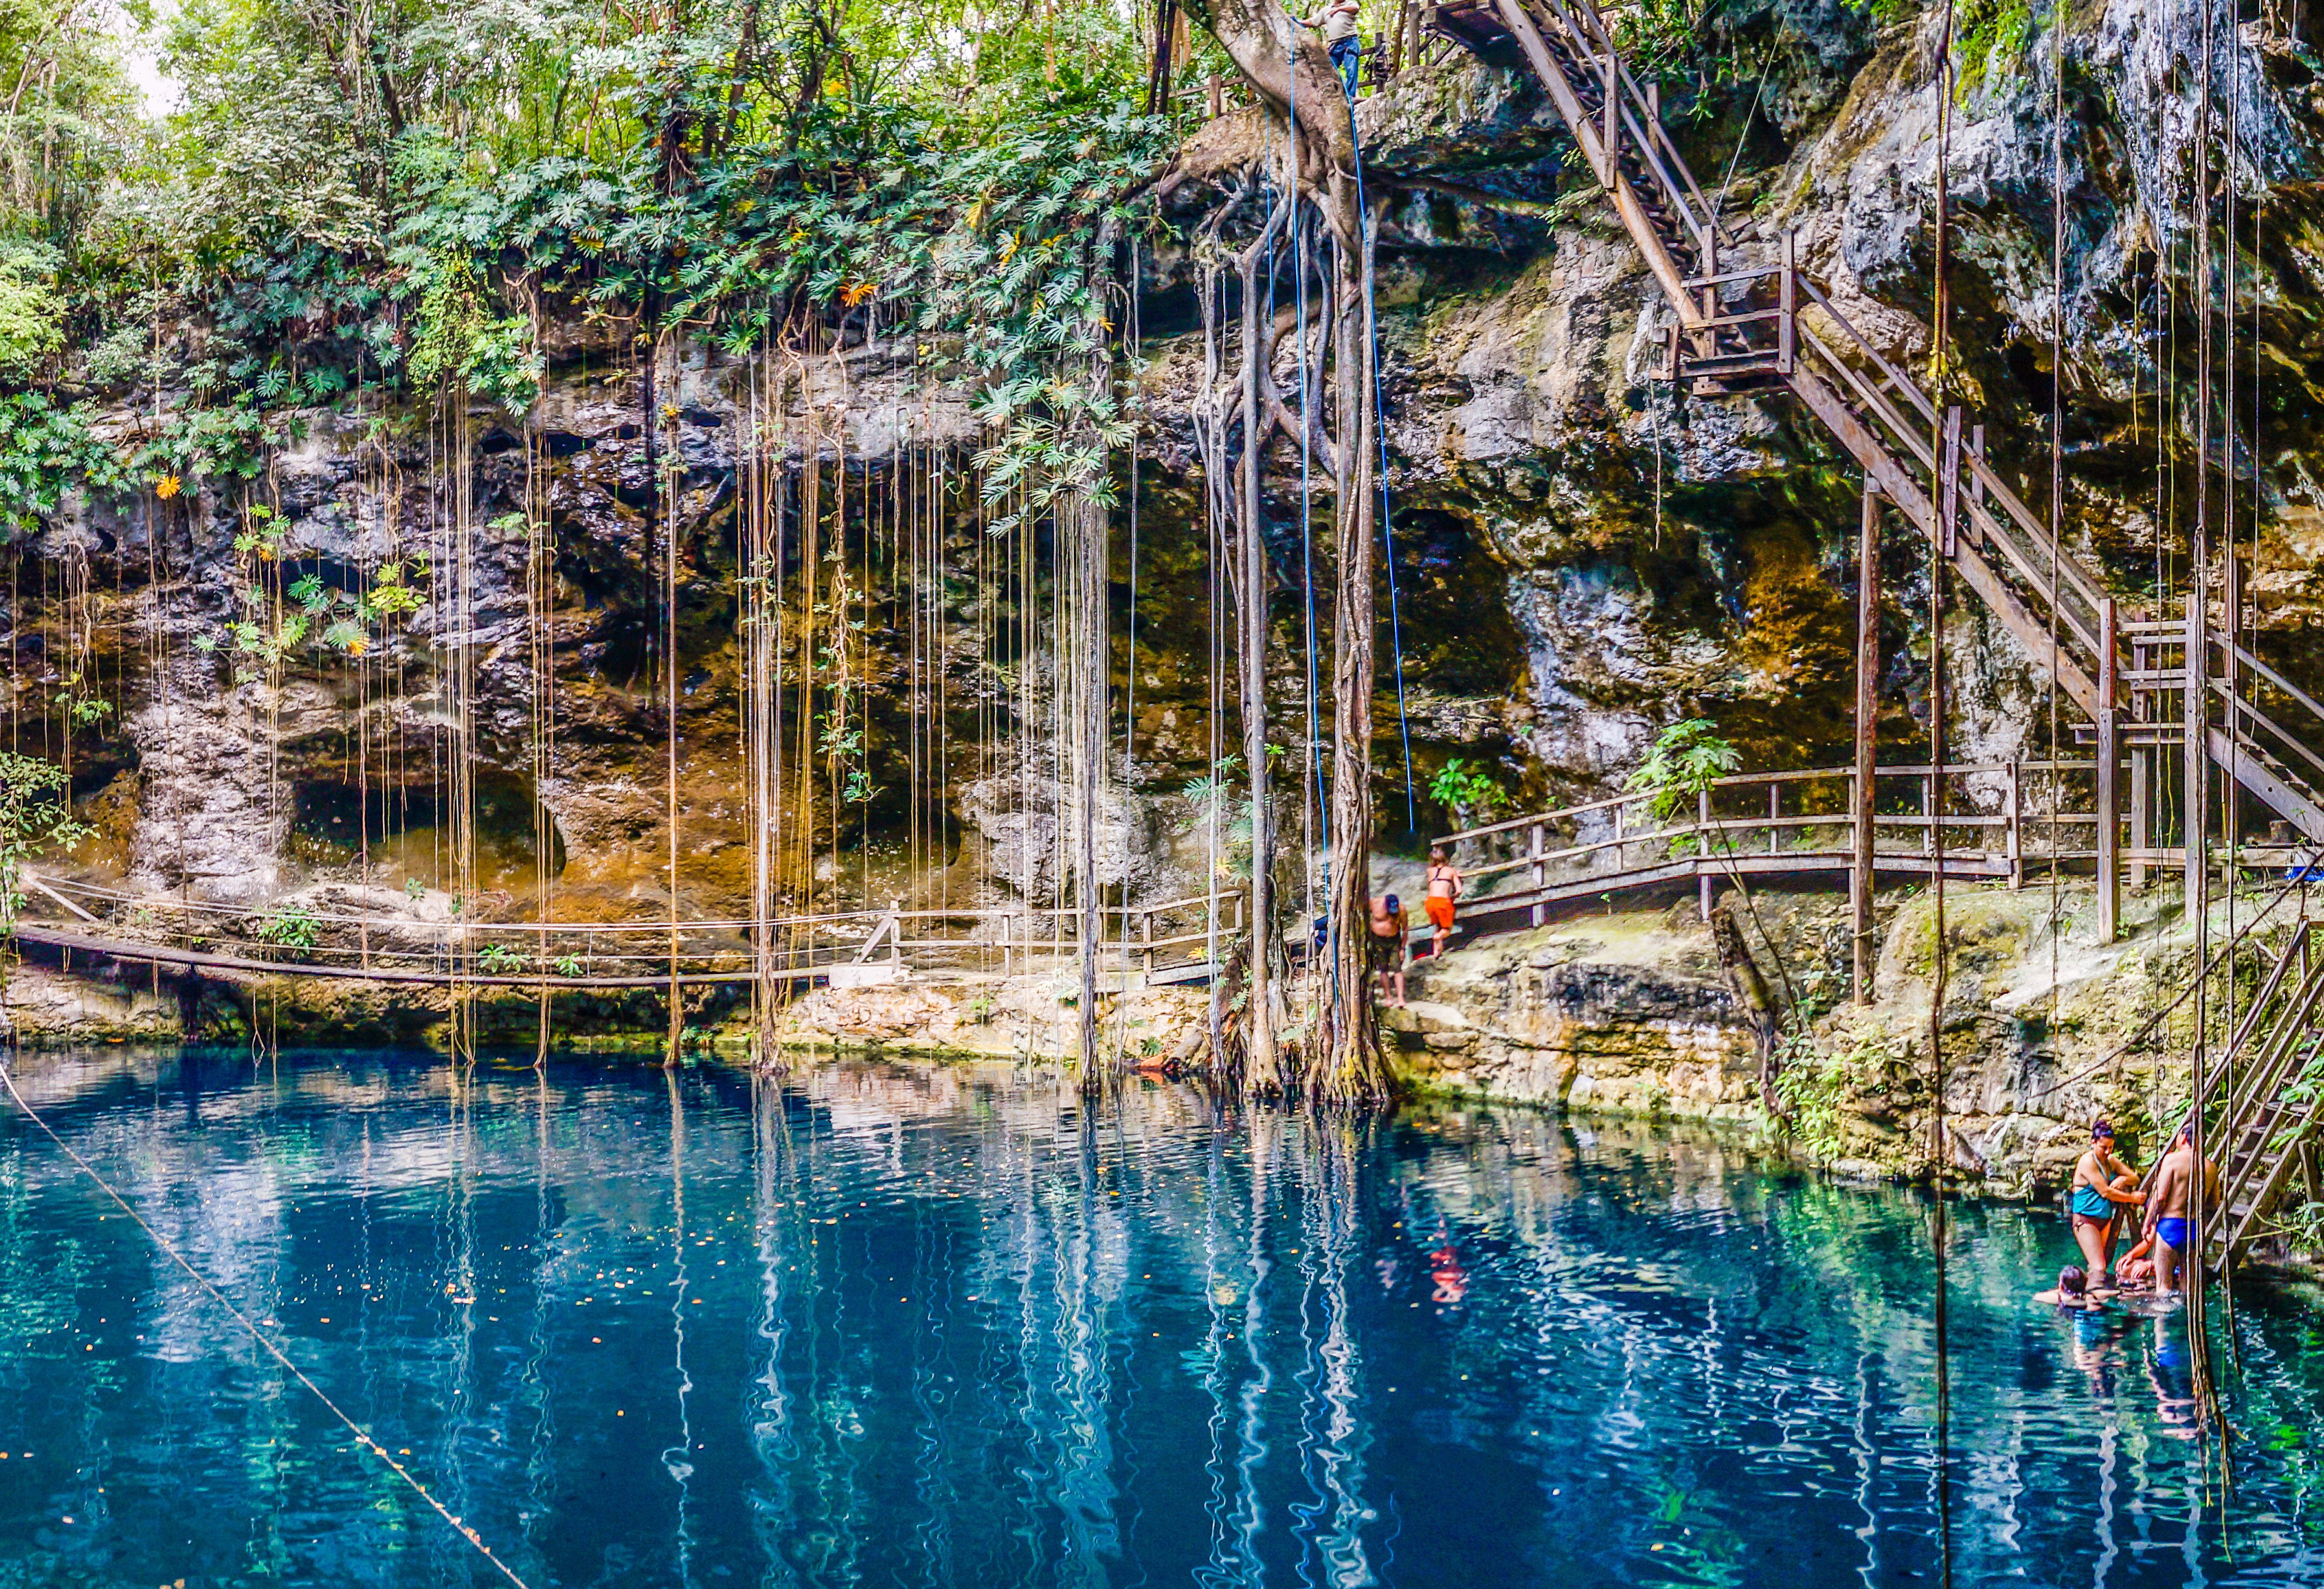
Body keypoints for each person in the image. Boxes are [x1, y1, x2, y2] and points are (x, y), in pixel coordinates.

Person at [2143, 1123, 2222, 1296]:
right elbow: (2214, 1203)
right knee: (2188, 1289)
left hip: (2170, 1226)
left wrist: (2148, 1222)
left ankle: (2161, 1323)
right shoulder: (2210, 1166)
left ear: (2184, 1137)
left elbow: (2160, 1197)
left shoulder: (2172, 1160)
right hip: (2194, 1230)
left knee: (2163, 1288)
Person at [2067, 1119, 2143, 1286]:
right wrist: (2133, 1198)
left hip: (2104, 1220)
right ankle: (2094, 1303)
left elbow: (2135, 1177)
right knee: (2099, 1267)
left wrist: (2123, 1179)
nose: (2108, 1152)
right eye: (2104, 1147)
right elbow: (2105, 1191)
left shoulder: (2111, 1161)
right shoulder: (2088, 1161)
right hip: (2086, 1219)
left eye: (2111, 1147)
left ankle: (2089, 1295)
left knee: (2097, 1266)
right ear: (2093, 1143)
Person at [1300, 0, 1362, 99]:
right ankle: (1333, 94)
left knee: (1351, 70)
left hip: (1350, 42)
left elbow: (1356, 8)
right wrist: (1296, 22)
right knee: (1328, 70)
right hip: (1335, 45)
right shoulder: (1326, 10)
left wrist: (1338, 9)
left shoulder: (1350, 4)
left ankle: (1350, 96)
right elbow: (1313, 22)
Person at [1420, 846, 1462, 960]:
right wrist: (1452, 898)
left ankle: (1437, 952)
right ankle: (1438, 937)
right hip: (1443, 902)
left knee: (1438, 925)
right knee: (1447, 930)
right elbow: (1459, 890)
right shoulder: (1451, 871)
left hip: (1430, 902)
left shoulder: (1429, 871)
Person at [1369, 892, 1408, 1007]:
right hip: (1378, 941)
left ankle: (1401, 998)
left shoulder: (1401, 910)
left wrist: (1402, 948)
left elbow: (1405, 929)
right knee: (1383, 969)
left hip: (1394, 940)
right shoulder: (1375, 904)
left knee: (1397, 969)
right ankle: (1388, 997)